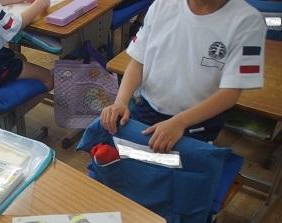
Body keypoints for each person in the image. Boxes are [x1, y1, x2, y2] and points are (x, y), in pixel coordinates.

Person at [101, 0, 267, 153]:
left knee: (176, 167)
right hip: (148, 108)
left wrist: (180, 122)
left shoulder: (248, 21)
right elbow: (138, 62)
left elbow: (231, 92)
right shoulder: (162, 5)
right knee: (129, 160)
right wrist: (121, 102)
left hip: (197, 121)